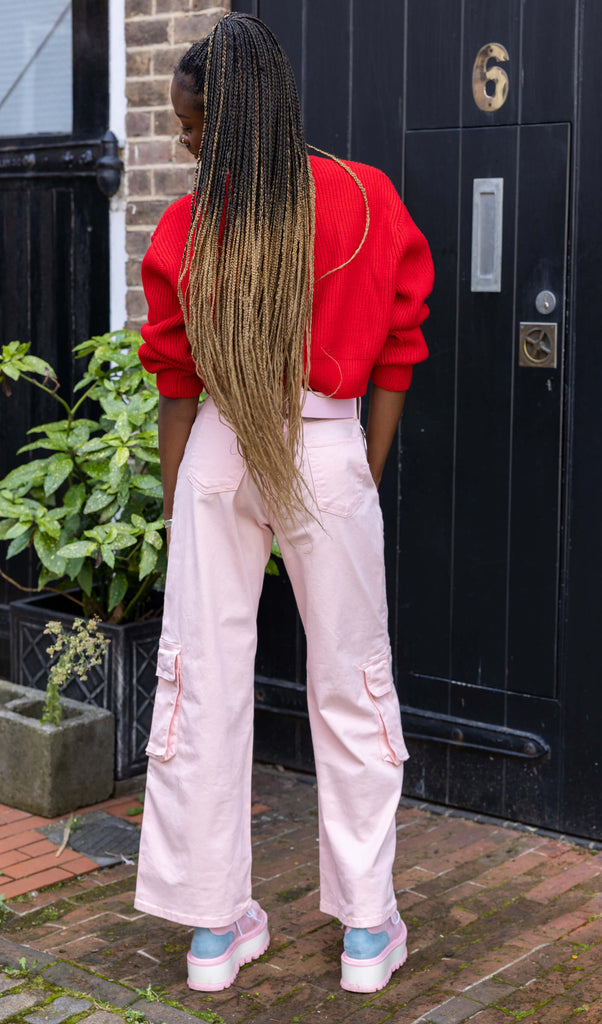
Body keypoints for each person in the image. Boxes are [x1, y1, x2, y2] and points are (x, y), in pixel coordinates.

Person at [134, 12, 433, 996]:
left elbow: (177, 381)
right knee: (351, 685)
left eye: (188, 127)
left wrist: (184, 503)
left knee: (203, 683)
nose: (180, 142)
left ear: (233, 121)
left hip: (221, 446)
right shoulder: (364, 198)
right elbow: (397, 348)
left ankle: (213, 931)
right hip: (324, 445)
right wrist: (355, 472)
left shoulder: (192, 227)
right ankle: (364, 930)